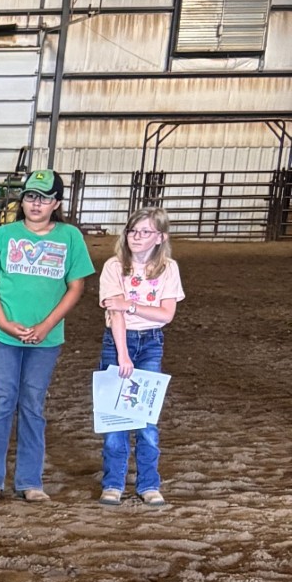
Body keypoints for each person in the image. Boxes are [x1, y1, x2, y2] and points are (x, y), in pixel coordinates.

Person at [0, 168, 94, 502]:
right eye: (30, 196)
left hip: (46, 339)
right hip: (2, 335)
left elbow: (76, 286)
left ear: (56, 203)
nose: (36, 204)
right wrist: (4, 323)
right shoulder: (2, 236)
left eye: (43, 198)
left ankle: (29, 481)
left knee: (32, 405)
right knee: (1, 402)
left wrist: (46, 326)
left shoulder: (70, 238)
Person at [96, 207, 182, 507]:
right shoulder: (114, 266)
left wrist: (130, 305)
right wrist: (122, 354)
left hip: (151, 342)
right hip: (118, 341)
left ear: (160, 237)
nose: (136, 237)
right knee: (114, 416)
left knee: (146, 418)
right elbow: (114, 313)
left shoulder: (168, 268)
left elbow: (166, 314)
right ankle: (113, 483)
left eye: (145, 232)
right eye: (133, 231)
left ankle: (149, 482)